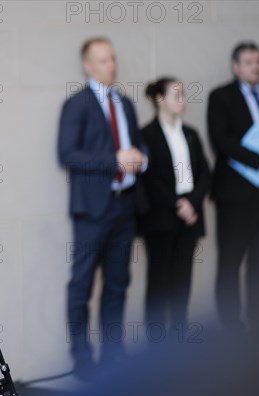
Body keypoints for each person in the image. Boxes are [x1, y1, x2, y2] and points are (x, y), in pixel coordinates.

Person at [57, 38, 148, 374]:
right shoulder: (76, 104)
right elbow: (67, 154)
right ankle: (82, 360)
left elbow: (136, 146)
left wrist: (140, 159)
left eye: (113, 58)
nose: (112, 65)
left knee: (118, 284)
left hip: (125, 207)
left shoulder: (124, 103)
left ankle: (113, 355)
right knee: (81, 285)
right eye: (103, 59)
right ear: (87, 65)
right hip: (92, 210)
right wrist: (114, 160)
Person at [139, 78, 211, 335]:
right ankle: (156, 344)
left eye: (184, 94)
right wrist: (177, 204)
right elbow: (150, 179)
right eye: (176, 94)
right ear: (159, 99)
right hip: (161, 218)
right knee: (158, 281)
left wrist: (191, 203)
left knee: (183, 280)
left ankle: (179, 338)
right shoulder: (147, 134)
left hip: (189, 217)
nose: (183, 99)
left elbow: (204, 172)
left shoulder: (190, 133)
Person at [207, 42, 259, 332]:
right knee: (231, 259)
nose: (256, 67)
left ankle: (258, 317)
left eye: (258, 61)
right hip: (236, 194)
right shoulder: (221, 97)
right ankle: (230, 325)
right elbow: (221, 140)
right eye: (249, 62)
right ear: (236, 66)